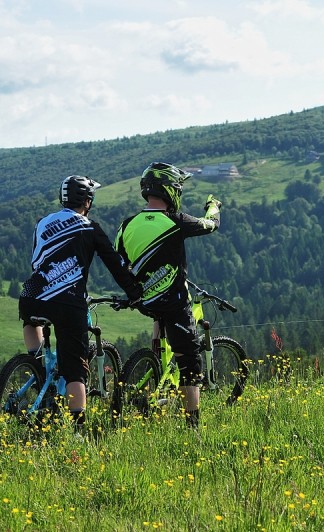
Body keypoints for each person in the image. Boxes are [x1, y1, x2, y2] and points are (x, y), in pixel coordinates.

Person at [19, 175, 142, 429]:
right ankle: (77, 429)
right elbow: (115, 264)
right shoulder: (89, 227)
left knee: (32, 323)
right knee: (75, 369)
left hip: (32, 295)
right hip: (68, 301)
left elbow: (36, 260)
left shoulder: (42, 223)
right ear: (87, 201)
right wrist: (134, 292)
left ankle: (39, 369)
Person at [115, 162, 221, 428]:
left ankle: (156, 363)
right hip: (173, 302)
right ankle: (193, 425)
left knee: (158, 318)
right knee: (189, 361)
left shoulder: (126, 225)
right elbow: (211, 225)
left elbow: (119, 263)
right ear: (170, 190)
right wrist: (214, 206)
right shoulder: (176, 221)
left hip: (144, 301)